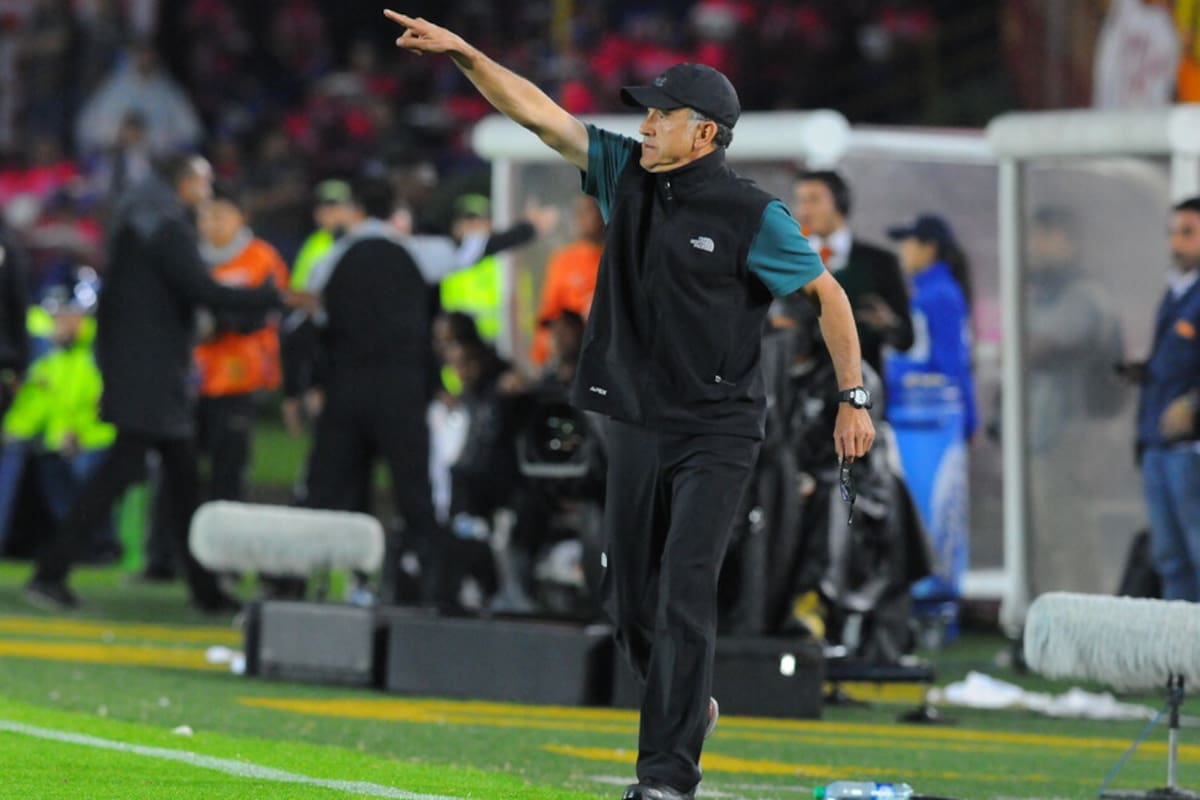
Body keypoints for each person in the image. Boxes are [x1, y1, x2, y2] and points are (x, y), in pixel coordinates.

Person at [385, 12, 875, 800]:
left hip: (718, 429)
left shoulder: (755, 215)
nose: (644, 125)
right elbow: (539, 115)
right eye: (645, 113)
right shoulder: (626, 176)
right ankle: (688, 701)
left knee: (685, 589)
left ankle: (665, 778)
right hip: (637, 423)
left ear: (705, 134)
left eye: (661, 116)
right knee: (625, 597)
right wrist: (469, 55)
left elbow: (829, 298)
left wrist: (854, 398)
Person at [23, 154, 291, 612]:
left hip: (144, 371)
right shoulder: (166, 227)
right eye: (203, 183)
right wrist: (271, 296)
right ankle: (52, 571)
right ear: (183, 183)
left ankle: (202, 590)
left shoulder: (141, 221)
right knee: (125, 478)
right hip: (153, 376)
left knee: (179, 484)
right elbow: (201, 289)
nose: (207, 192)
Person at [300, 176, 551, 605]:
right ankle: (433, 596)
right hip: (401, 393)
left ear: (357, 211)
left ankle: (304, 589)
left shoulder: (330, 260)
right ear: (396, 216)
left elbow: (310, 322)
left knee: (330, 492)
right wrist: (528, 228)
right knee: (415, 498)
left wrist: (309, 385)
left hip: (345, 393)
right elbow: (474, 250)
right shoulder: (415, 253)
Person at [884, 213, 976, 623]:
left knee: (935, 510)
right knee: (923, 509)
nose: (903, 252)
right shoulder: (925, 290)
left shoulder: (939, 294)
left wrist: (889, 368)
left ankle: (938, 607)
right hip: (918, 424)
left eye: (909, 243)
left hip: (933, 426)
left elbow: (947, 363)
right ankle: (928, 601)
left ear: (929, 246)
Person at [1120, 196, 1200, 602]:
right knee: (1170, 557)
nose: (1176, 242)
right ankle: (1180, 657)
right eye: (1172, 232)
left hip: (1191, 449)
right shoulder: (1176, 292)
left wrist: (1193, 403)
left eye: (1188, 232)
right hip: (1158, 441)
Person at [193, 182, 290, 502]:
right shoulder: (190, 256)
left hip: (239, 375)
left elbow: (270, 309)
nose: (212, 223)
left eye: (221, 215)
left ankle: (223, 546)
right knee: (184, 469)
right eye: (207, 216)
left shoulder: (261, 257)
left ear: (242, 218)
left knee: (230, 467)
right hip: (193, 377)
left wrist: (222, 319)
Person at [792, 171, 914, 383]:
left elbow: (907, 339)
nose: (803, 211)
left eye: (813, 200)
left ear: (840, 202)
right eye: (800, 201)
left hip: (862, 393)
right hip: (799, 397)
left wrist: (888, 325)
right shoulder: (789, 261)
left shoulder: (880, 263)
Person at [529, 195, 604, 365]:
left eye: (587, 210)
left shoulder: (620, 257)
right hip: (576, 356)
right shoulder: (563, 260)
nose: (580, 218)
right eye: (578, 212)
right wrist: (541, 357)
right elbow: (549, 313)